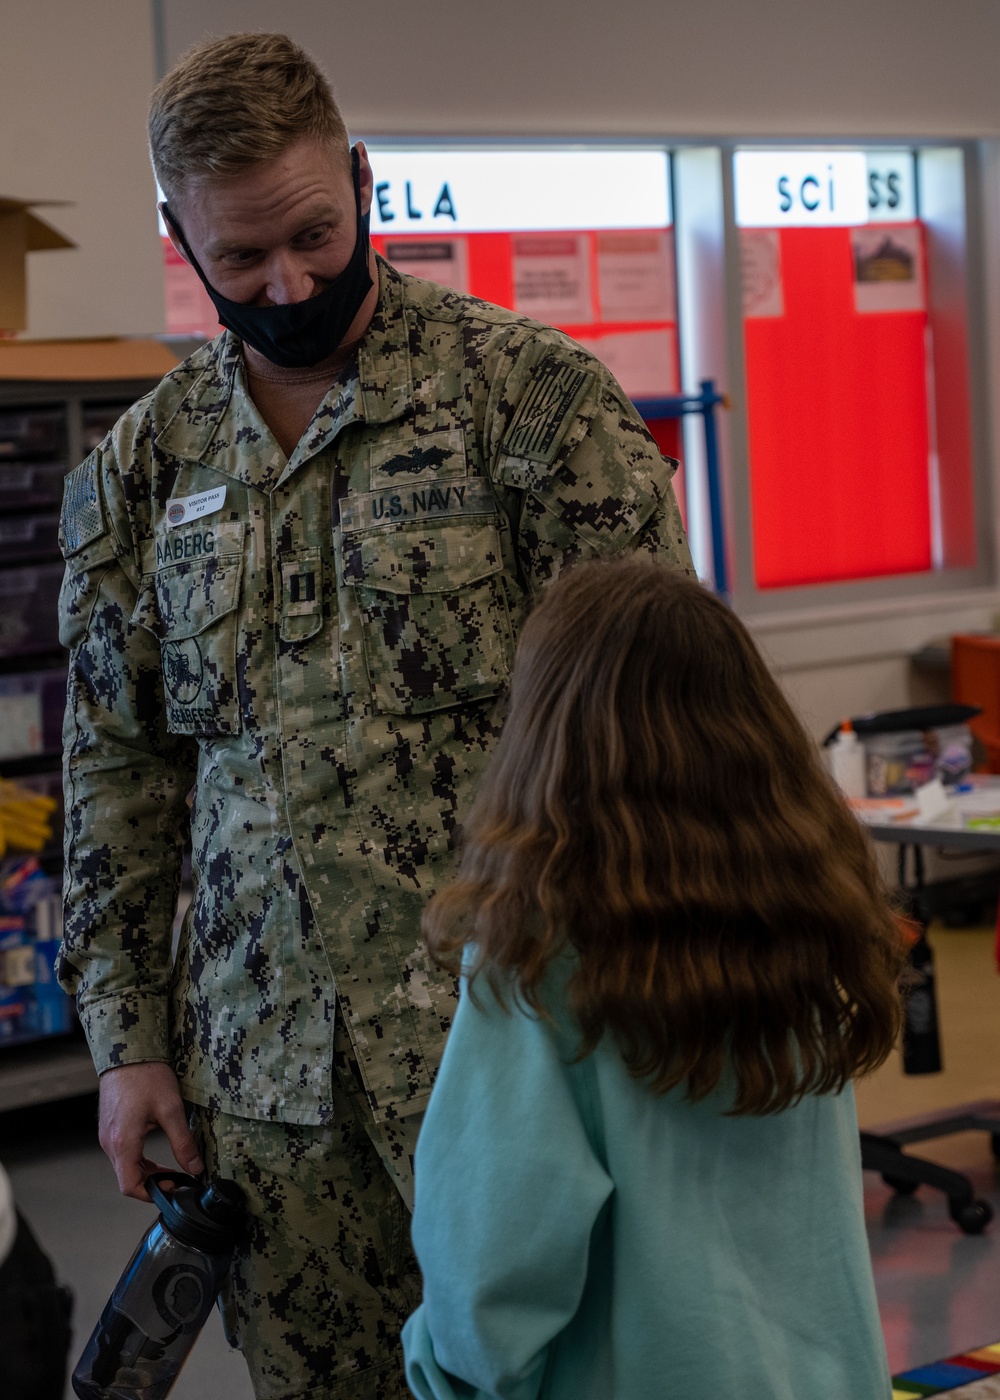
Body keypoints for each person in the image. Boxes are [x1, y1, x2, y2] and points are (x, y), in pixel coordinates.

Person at [55, 31, 693, 1400]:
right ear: (180, 236)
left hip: (520, 1061)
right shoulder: (143, 468)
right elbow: (117, 770)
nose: (288, 283)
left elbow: (662, 730)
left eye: (315, 233)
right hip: (265, 1103)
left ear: (363, 181)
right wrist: (131, 1043)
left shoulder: (527, 404)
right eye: (241, 259)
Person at [403, 558, 904, 1400]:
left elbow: (492, 1274)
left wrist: (439, 1368)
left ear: (547, 732)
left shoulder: (535, 956)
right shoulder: (811, 913)